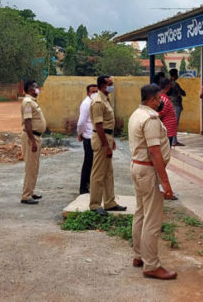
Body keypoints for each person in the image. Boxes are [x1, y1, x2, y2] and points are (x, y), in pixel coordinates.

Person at [128, 84, 177, 280]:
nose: (162, 101)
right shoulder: (150, 119)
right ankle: (151, 265)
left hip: (138, 167)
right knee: (152, 218)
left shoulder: (136, 114)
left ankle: (139, 255)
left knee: (141, 212)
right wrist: (165, 182)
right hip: (148, 170)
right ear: (153, 99)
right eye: (160, 98)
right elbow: (155, 152)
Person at [89, 75, 127, 215]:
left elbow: (106, 124)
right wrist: (106, 145)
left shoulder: (105, 99)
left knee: (108, 173)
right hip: (101, 139)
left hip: (106, 136)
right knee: (98, 173)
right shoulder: (98, 102)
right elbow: (99, 126)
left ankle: (110, 202)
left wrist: (111, 140)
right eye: (110, 83)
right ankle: (94, 204)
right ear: (103, 86)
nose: (112, 85)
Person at [20, 80, 47, 205]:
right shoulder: (27, 102)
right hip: (32, 137)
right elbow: (28, 122)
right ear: (31, 89)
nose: (38, 89)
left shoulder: (32, 102)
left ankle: (30, 191)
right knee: (31, 167)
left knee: (35, 167)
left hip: (36, 136)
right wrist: (32, 141)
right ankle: (26, 195)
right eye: (36, 87)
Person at [77, 84, 98, 195]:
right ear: (87, 93)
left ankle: (89, 186)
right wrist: (80, 133)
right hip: (89, 136)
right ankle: (83, 188)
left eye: (96, 91)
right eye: (92, 92)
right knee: (88, 162)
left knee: (94, 163)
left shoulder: (95, 103)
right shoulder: (86, 104)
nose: (94, 93)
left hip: (94, 136)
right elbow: (81, 122)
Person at [167, 69, 186, 146]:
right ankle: (174, 140)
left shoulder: (168, 83)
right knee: (175, 123)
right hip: (176, 105)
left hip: (170, 104)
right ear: (175, 75)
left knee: (172, 122)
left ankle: (173, 139)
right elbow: (183, 93)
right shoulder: (174, 84)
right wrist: (179, 93)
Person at [158, 78, 178, 146]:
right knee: (165, 153)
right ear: (167, 86)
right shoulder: (164, 100)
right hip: (166, 131)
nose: (171, 86)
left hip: (168, 130)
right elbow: (159, 115)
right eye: (170, 84)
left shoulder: (163, 98)